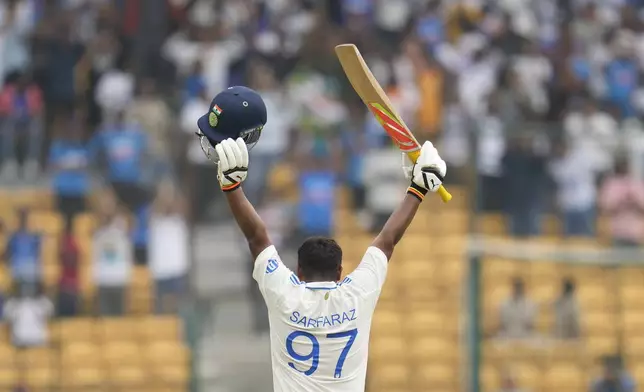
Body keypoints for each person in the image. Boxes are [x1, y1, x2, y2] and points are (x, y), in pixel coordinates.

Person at [195, 85, 447, 392]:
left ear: (298, 272)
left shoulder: (286, 295)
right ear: (340, 273)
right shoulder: (357, 294)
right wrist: (418, 188)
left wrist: (231, 187)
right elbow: (387, 240)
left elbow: (257, 237)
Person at [4, 283, 53, 348]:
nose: (27, 291)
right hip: (19, 341)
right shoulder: (13, 303)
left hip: (38, 340)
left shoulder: (42, 302)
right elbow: (7, 315)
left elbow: (51, 312)